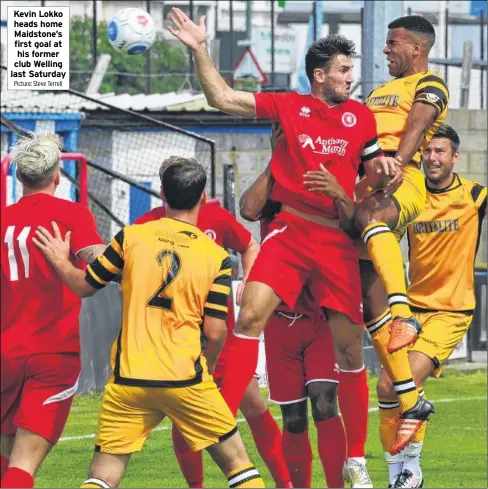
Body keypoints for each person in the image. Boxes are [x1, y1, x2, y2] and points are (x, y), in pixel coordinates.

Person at [169, 9, 402, 484]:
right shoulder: (288, 106)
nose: (350, 78)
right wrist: (199, 48)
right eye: (343, 70)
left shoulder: (361, 118)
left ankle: (354, 460)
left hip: (335, 238)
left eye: (350, 69)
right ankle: (222, 414)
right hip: (291, 231)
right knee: (251, 311)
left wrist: (389, 175)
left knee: (349, 352)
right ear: (320, 76)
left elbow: (375, 174)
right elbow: (220, 97)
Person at [33, 157, 266, 489]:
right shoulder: (215, 256)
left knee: (102, 476)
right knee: (238, 465)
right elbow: (216, 332)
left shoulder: (131, 237)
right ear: (202, 198)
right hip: (185, 378)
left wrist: (59, 259)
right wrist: (208, 370)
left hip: (130, 379)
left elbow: (84, 285)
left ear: (162, 194)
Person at [134, 158, 291, 489]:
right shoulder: (145, 226)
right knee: (186, 415)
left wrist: (249, 279)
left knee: (251, 406)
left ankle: (286, 484)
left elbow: (249, 245)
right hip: (179, 344)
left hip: (223, 338)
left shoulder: (216, 219)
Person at [352, 15, 449, 454]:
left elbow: (414, 127)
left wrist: (394, 166)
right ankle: (410, 399)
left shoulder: (431, 83)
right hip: (367, 176)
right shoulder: (374, 93)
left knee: (374, 216)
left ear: (416, 48)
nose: (385, 49)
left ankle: (405, 312)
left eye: (392, 43)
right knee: (365, 294)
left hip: (400, 176)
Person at [375, 124, 487, 488]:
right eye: (428, 151)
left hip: (451, 311)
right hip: (411, 309)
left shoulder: (474, 195)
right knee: (384, 390)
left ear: (455, 156)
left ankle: (413, 469)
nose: (432, 158)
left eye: (440, 152)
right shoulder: (411, 198)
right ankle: (396, 475)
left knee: (402, 381)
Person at [239, 126, 349, 489]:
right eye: (280, 135)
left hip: (320, 316)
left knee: (324, 402)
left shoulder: (323, 179)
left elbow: (351, 221)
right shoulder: (276, 185)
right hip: (280, 321)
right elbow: (247, 208)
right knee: (293, 418)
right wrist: (277, 159)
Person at [0, 132, 105, 489]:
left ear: (19, 176)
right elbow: (101, 271)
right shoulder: (71, 215)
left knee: (7, 457)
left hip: (6, 355)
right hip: (53, 355)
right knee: (23, 465)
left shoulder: (3, 221)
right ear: (58, 175)